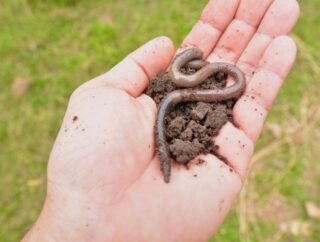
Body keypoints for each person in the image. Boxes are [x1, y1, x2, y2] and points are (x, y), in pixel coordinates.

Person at [22, 0, 300, 241]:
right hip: (190, 86)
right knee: (178, 95)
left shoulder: (192, 83)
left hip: (193, 83)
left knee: (181, 92)